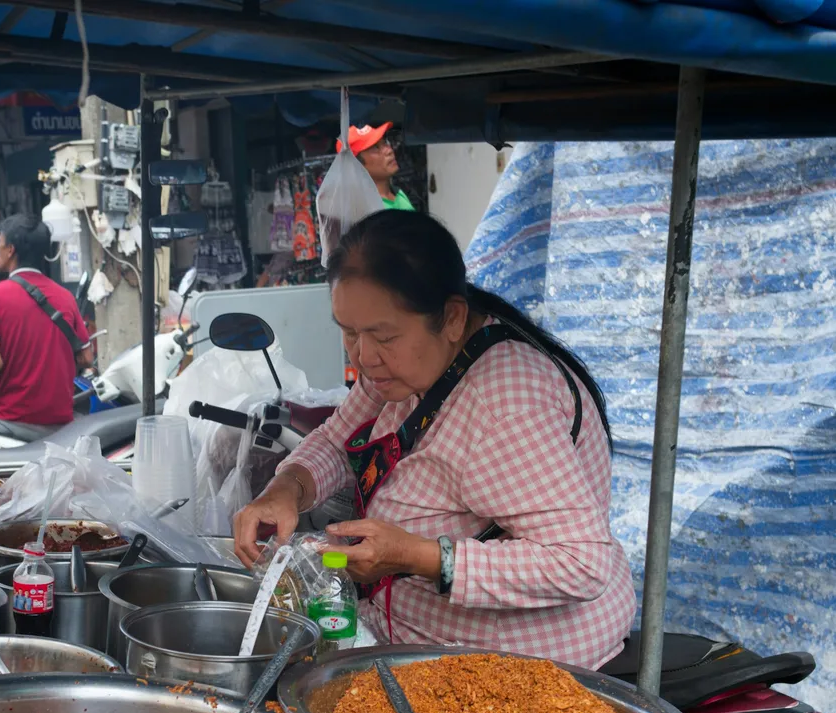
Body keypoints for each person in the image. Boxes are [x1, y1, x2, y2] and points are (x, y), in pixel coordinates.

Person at [232, 211, 633, 668]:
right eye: (348, 332)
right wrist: (288, 490)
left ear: (453, 318)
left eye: (382, 336)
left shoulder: (503, 403)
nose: (363, 357)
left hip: (520, 662)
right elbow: (337, 441)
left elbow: (581, 563)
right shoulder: (402, 366)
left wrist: (415, 556)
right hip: (409, 635)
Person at [0, 215, 94, 426]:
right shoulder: (65, 297)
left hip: (9, 417)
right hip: (60, 419)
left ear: (10, 250)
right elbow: (87, 358)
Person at [338, 123, 415, 210]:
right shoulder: (363, 210)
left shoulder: (397, 193)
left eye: (385, 142)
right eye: (375, 148)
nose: (389, 151)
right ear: (357, 165)